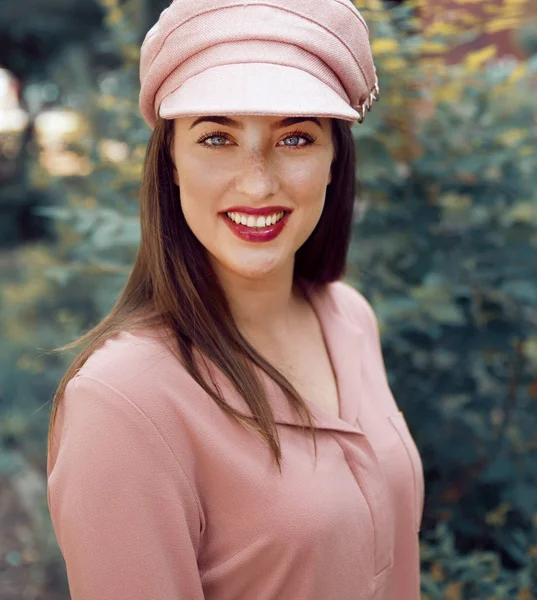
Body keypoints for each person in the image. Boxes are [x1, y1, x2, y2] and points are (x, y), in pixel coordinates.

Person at [46, 0, 425, 598]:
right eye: (217, 137)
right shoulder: (121, 401)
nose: (257, 181)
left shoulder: (348, 318)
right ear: (169, 159)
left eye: (295, 137)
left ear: (334, 160)